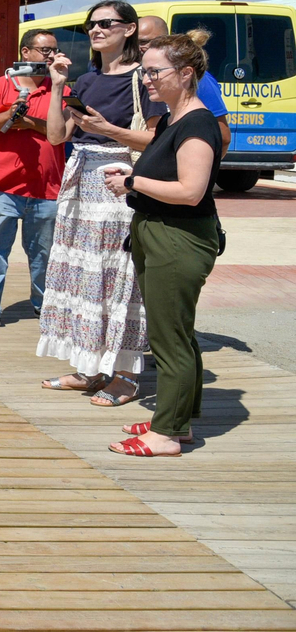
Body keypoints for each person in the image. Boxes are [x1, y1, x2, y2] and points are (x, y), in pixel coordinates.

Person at [39, 0, 165, 407]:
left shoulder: (144, 79)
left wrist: (107, 129)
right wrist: (59, 85)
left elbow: (158, 139)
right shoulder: (89, 80)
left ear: (129, 29)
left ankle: (125, 375)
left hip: (118, 184)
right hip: (79, 183)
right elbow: (57, 137)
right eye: (90, 24)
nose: (95, 30)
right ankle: (89, 368)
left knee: (117, 277)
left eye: (106, 23)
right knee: (82, 277)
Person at [102, 30, 222, 457]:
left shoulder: (197, 123)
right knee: (177, 333)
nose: (146, 80)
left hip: (179, 237)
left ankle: (166, 433)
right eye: (145, 71)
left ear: (186, 74)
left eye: (154, 72)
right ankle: (178, 419)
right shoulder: (174, 119)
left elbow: (191, 190)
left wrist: (132, 181)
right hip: (160, 233)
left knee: (168, 338)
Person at [0, 29, 67, 331]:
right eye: (43, 50)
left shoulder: (59, 90)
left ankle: (44, 305)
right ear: (26, 53)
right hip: (2, 185)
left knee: (43, 252)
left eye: (53, 50)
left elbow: (60, 130)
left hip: (46, 186)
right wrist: (7, 116)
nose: (49, 56)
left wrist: (28, 122)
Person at [137, 16, 230, 152]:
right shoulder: (166, 120)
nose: (138, 48)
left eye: (144, 42)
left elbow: (224, 137)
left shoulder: (200, 80)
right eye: (134, 42)